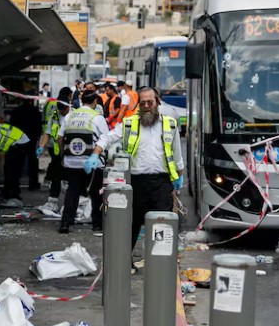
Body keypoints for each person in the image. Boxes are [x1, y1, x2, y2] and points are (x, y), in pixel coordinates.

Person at [88, 87, 184, 269]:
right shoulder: (129, 123)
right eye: (143, 103)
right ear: (138, 105)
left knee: (162, 225)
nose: (147, 106)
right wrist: (95, 154)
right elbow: (107, 138)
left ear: (157, 103)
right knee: (131, 226)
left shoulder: (170, 124)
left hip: (161, 184)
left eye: (150, 102)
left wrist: (179, 176)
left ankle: (161, 265)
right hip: (136, 183)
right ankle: (126, 263)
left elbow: (177, 155)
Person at [58, 92, 109, 233]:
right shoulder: (97, 118)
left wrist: (63, 154)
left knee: (72, 191)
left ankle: (65, 223)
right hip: (92, 162)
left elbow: (60, 137)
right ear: (94, 102)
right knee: (96, 192)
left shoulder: (69, 116)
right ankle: (97, 224)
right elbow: (106, 138)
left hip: (72, 161)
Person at [37, 92, 71, 212]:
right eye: (59, 109)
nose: (61, 111)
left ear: (68, 106)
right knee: (56, 176)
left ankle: (71, 206)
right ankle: (52, 202)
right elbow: (47, 132)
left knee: (72, 179)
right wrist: (42, 146)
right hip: (58, 152)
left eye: (63, 109)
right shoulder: (55, 115)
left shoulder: (75, 115)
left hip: (71, 152)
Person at [10, 97, 43, 191]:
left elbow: (12, 125)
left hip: (19, 138)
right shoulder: (35, 111)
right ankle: (33, 183)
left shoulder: (16, 110)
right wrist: (37, 136)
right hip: (31, 139)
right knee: (32, 162)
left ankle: (15, 184)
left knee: (18, 162)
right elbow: (39, 125)